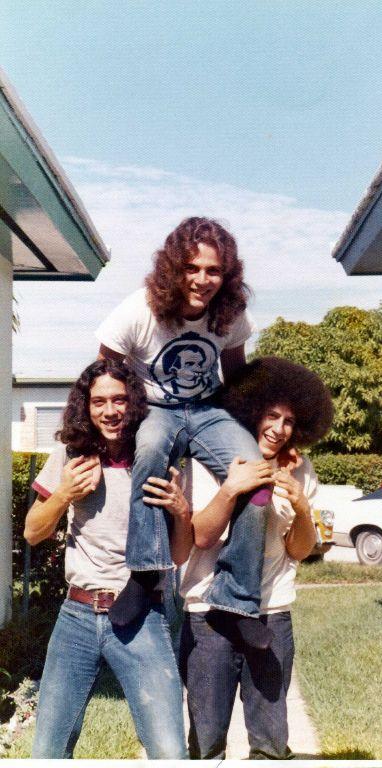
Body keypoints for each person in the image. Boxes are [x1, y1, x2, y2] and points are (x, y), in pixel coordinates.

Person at [96, 216, 273, 648]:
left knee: (257, 474)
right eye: (192, 268)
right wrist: (120, 421)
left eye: (213, 270)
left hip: (209, 407)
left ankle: (236, 600)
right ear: (174, 269)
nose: (202, 279)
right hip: (156, 407)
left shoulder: (230, 313)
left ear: (226, 275)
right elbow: (106, 366)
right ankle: (144, 573)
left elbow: (234, 373)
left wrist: (250, 434)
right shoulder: (141, 308)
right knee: (152, 448)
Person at [24, 359, 191, 759]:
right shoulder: (71, 456)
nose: (110, 411)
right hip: (76, 616)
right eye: (99, 401)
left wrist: (182, 512)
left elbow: (180, 554)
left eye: (119, 399)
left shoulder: (157, 460)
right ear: (86, 406)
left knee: (169, 751)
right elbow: (33, 531)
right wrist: (65, 493)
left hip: (141, 615)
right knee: (47, 752)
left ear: (134, 402)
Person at [179, 356, 334, 759]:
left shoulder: (301, 470)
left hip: (271, 612)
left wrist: (300, 505)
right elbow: (200, 536)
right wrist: (231, 490)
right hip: (208, 613)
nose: (278, 429)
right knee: (207, 740)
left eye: (288, 421)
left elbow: (299, 550)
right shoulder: (209, 459)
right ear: (250, 411)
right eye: (271, 415)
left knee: (269, 740)